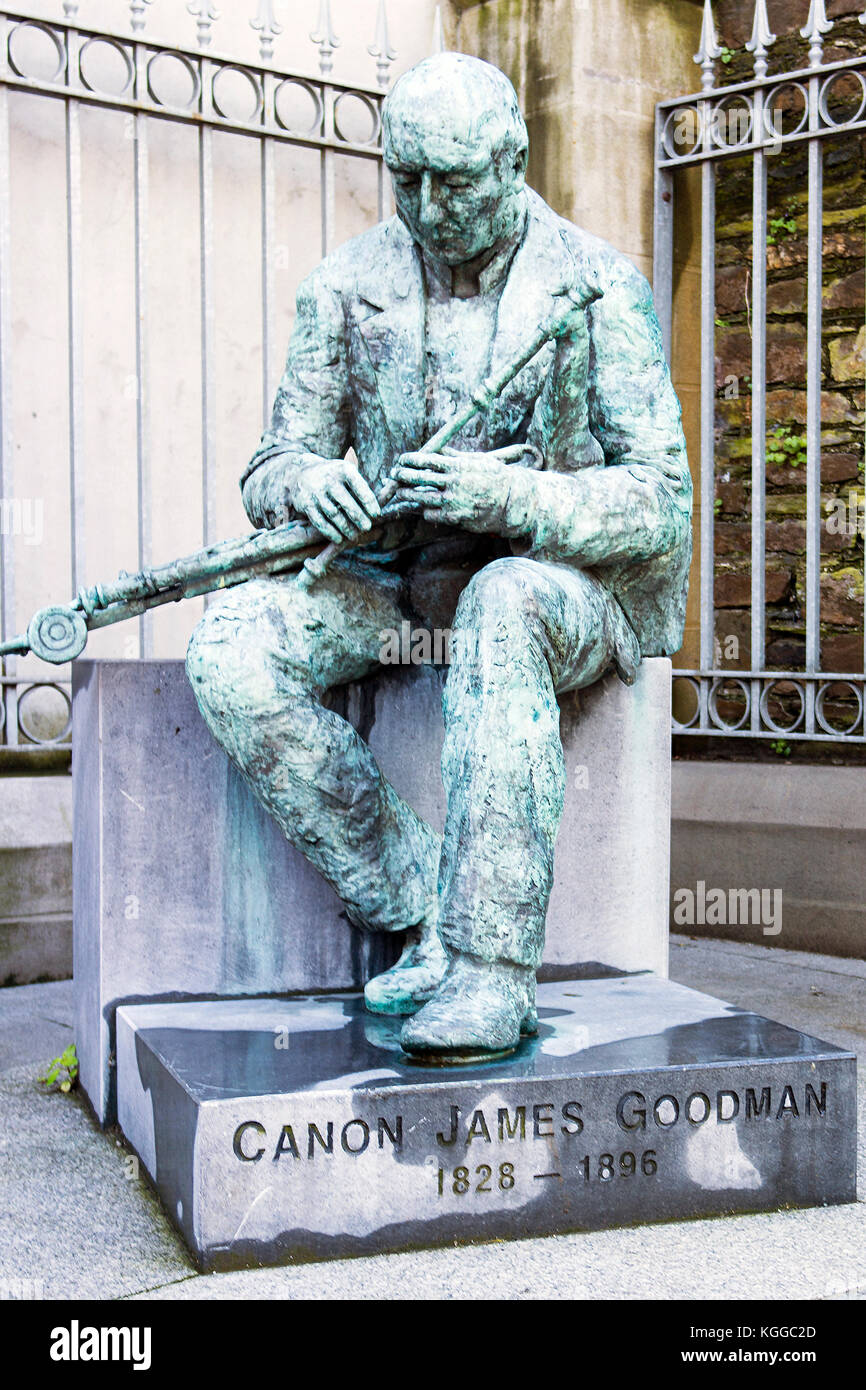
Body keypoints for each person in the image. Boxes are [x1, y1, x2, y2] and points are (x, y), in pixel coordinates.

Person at [185, 52, 692, 1062]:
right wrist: (302, 482)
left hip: (553, 585)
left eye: (450, 179)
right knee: (231, 645)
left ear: (510, 162)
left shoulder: (595, 287)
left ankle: (487, 970)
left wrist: (515, 497)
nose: (424, 204)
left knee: (501, 600)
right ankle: (417, 895)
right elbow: (270, 462)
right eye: (404, 176)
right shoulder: (342, 284)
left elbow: (659, 503)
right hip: (388, 578)